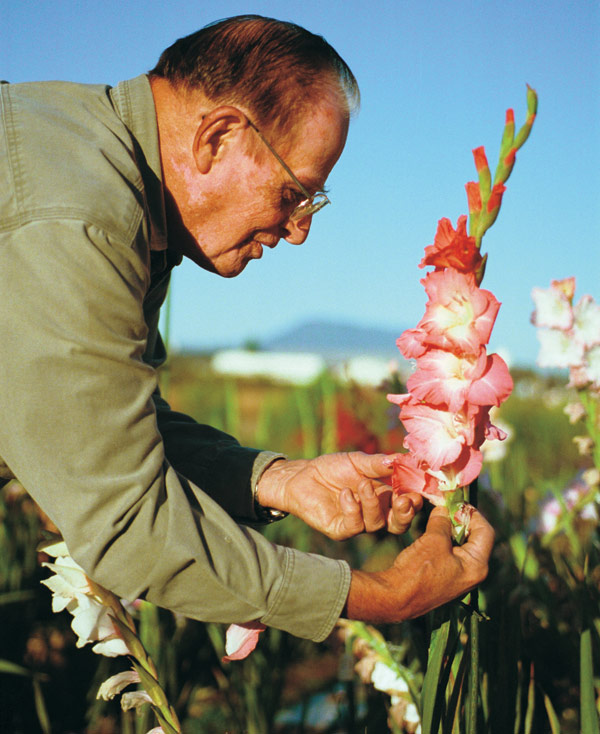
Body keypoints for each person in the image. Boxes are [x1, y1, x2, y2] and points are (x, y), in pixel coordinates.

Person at [0, 15, 493, 644]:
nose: (299, 230)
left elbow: (103, 431)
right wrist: (383, 595)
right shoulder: (80, 219)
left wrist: (280, 480)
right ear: (219, 137)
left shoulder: (98, 176)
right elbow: (128, 522)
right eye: (295, 194)